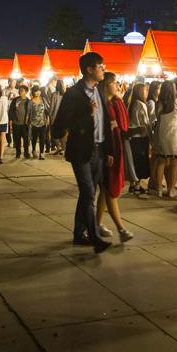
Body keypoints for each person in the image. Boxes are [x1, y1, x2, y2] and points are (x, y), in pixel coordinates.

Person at [52, 51, 113, 253]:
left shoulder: (99, 91)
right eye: (100, 66)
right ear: (89, 70)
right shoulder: (74, 94)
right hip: (81, 151)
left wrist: (109, 150)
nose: (104, 69)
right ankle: (94, 237)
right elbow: (60, 124)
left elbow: (105, 123)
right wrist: (85, 113)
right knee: (88, 192)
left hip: (99, 150)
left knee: (88, 193)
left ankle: (79, 233)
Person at [95, 72, 134, 242]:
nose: (117, 85)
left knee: (105, 190)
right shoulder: (100, 103)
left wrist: (115, 123)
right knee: (109, 188)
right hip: (105, 149)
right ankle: (121, 228)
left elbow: (124, 125)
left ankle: (96, 224)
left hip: (116, 147)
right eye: (114, 82)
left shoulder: (116, 102)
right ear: (105, 85)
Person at [153, 80, 177, 198]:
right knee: (175, 162)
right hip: (175, 137)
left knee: (161, 161)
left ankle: (159, 189)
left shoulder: (159, 103)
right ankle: (171, 190)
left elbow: (156, 117)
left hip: (162, 135)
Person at [127, 82, 152, 194]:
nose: (147, 92)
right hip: (141, 137)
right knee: (140, 162)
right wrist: (151, 138)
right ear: (140, 92)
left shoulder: (132, 104)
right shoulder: (141, 104)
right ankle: (137, 185)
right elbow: (146, 123)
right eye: (145, 90)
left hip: (133, 137)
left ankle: (133, 184)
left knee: (134, 161)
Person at [27, 86, 50, 160]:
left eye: (39, 91)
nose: (38, 92)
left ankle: (41, 153)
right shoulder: (31, 102)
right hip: (33, 123)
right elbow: (28, 112)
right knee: (34, 138)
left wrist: (48, 119)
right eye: (36, 91)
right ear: (33, 92)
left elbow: (47, 110)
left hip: (43, 122)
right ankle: (34, 151)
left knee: (42, 138)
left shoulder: (43, 100)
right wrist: (26, 121)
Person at [8, 85, 31, 158]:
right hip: (16, 123)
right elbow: (11, 110)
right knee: (17, 139)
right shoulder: (15, 100)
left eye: (22, 90)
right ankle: (18, 153)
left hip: (25, 124)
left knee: (26, 139)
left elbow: (30, 112)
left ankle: (26, 153)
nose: (20, 92)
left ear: (26, 92)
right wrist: (11, 120)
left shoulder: (28, 101)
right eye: (20, 90)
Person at [48, 80, 66, 155]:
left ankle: (58, 147)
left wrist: (49, 115)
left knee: (54, 133)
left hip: (55, 117)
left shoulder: (54, 94)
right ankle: (63, 149)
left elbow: (52, 107)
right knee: (63, 134)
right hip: (64, 117)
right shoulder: (65, 94)